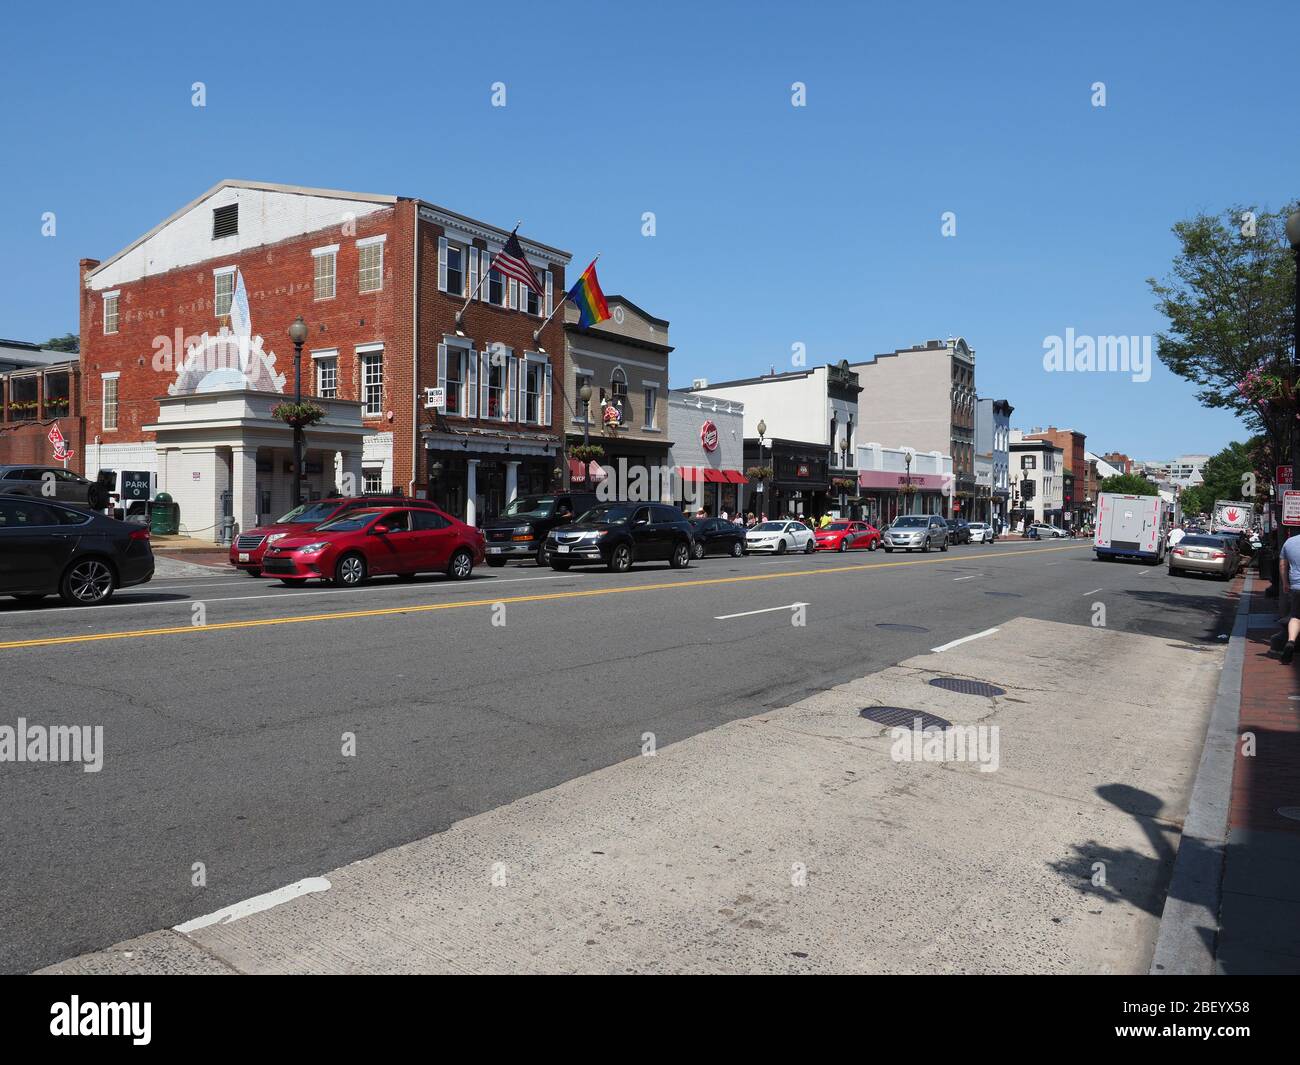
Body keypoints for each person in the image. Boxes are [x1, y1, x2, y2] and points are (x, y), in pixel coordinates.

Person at [1279, 530, 1300, 663]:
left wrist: (1285, 583)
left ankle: (1291, 641)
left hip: (1296, 586)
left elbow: (1282, 565)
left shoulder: (1289, 542)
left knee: (1296, 616)